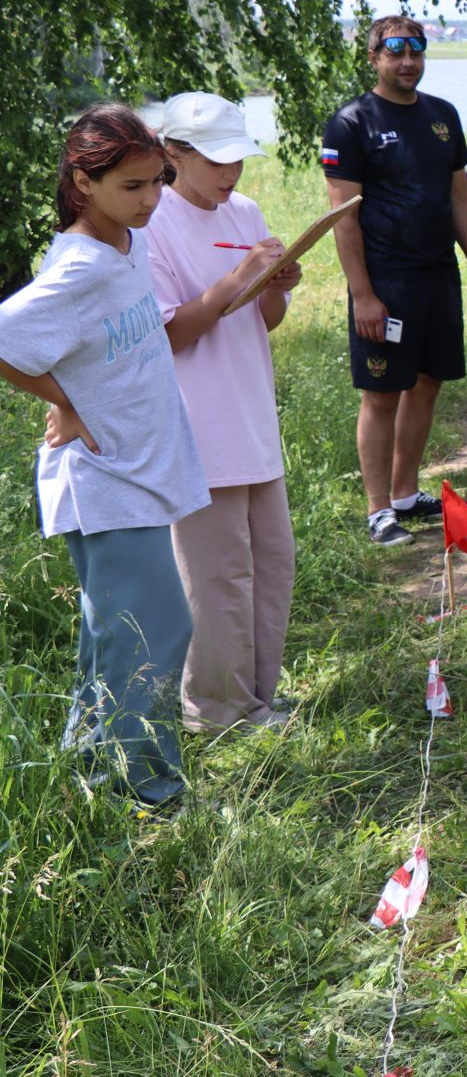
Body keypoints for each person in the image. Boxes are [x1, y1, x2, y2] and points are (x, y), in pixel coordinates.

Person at [0, 105, 208, 810]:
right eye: (134, 186)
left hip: (139, 469)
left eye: (159, 181)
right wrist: (65, 401)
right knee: (151, 633)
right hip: (104, 478)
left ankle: (88, 782)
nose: (153, 200)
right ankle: (148, 794)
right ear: (83, 184)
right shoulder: (82, 266)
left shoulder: (126, 243)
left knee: (112, 639)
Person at [145, 93, 303, 734]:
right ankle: (214, 712)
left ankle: (258, 700)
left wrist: (275, 289)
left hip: (252, 417)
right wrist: (240, 276)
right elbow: (169, 334)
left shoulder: (246, 210)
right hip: (196, 426)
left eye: (237, 158)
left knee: (271, 566)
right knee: (218, 579)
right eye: (215, 160)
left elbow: (263, 323)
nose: (230, 174)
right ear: (173, 153)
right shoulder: (150, 224)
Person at [323, 15, 467, 546]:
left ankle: (403, 493)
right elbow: (342, 218)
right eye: (394, 52)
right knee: (381, 394)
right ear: (373, 57)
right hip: (385, 282)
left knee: (427, 385)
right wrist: (363, 295)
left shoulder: (443, 116)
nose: (407, 62)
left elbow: (459, 199)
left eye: (415, 51)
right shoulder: (351, 122)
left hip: (437, 276)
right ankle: (378, 512)